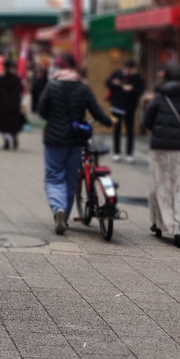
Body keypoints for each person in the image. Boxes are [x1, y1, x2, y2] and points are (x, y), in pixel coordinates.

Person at [39, 52, 114, 235]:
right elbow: (96, 111)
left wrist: (55, 118)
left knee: (54, 176)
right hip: (76, 139)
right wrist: (109, 121)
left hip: (54, 139)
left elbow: (42, 111)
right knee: (71, 179)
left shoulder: (52, 86)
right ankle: (64, 216)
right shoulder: (83, 88)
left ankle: (58, 209)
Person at [144, 63, 180, 249]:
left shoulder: (159, 97)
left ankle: (160, 223)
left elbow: (147, 122)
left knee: (160, 185)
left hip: (161, 148)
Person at [105, 58, 145, 163]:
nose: (128, 71)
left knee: (130, 130)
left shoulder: (137, 77)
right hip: (117, 105)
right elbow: (107, 82)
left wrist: (132, 89)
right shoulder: (117, 73)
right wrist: (113, 82)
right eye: (127, 68)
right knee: (117, 129)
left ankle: (129, 154)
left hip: (130, 107)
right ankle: (116, 153)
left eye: (130, 69)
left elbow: (140, 90)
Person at [0, 59, 24, 150]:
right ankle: (14, 136)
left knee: (4, 124)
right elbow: (20, 90)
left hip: (2, 104)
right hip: (14, 104)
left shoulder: (0, 79)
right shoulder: (17, 79)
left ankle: (6, 142)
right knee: (13, 123)